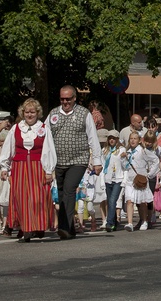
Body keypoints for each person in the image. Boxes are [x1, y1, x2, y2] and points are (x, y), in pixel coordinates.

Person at [46, 85, 102, 240]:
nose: (65, 102)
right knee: (62, 193)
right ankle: (70, 228)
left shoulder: (84, 113)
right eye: (62, 99)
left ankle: (63, 226)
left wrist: (97, 161)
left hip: (79, 159)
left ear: (74, 98)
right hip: (59, 160)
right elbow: (45, 136)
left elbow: (93, 138)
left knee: (70, 190)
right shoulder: (53, 114)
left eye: (68, 99)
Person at [0, 98, 57, 243]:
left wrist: (49, 170)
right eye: (27, 112)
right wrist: (4, 167)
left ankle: (39, 226)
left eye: (32, 112)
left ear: (37, 113)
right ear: (22, 113)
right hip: (20, 167)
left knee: (38, 198)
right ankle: (26, 228)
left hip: (38, 167)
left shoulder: (43, 128)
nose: (29, 115)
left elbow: (48, 150)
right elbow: (8, 148)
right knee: (22, 198)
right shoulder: (16, 128)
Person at [121, 131, 158, 231]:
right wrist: (123, 159)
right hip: (130, 180)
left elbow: (155, 160)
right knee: (129, 201)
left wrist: (150, 174)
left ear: (139, 140)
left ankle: (145, 220)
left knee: (142, 202)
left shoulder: (143, 151)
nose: (133, 141)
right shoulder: (127, 151)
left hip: (140, 180)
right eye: (131, 139)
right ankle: (129, 223)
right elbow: (125, 167)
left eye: (135, 138)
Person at [101, 130, 125, 232]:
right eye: (110, 138)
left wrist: (124, 158)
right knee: (110, 201)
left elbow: (125, 165)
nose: (111, 140)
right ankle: (114, 222)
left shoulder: (121, 150)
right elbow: (103, 166)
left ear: (117, 139)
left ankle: (109, 223)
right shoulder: (104, 151)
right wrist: (102, 180)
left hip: (118, 178)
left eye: (113, 138)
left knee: (112, 201)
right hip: (108, 178)